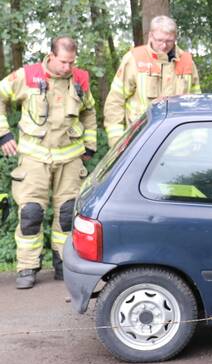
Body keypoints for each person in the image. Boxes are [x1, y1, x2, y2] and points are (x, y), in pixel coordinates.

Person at [0, 37, 97, 289]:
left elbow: (89, 112)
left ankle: (63, 262)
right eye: (63, 62)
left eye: (71, 62)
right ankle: (27, 267)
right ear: (51, 56)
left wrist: (89, 145)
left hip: (70, 159)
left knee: (67, 214)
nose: (68, 67)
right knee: (30, 213)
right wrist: (4, 134)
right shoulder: (28, 75)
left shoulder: (80, 79)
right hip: (34, 157)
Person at [104, 15, 201, 144]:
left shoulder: (186, 61)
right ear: (150, 36)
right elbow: (115, 101)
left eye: (169, 41)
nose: (164, 45)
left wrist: (198, 139)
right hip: (141, 142)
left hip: (180, 145)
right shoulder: (134, 59)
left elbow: (197, 103)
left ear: (175, 38)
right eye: (160, 40)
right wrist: (117, 141)